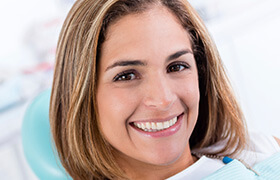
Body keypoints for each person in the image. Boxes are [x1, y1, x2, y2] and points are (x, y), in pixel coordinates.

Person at [49, 0, 280, 179]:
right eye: (127, 75)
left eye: (177, 66)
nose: (163, 99)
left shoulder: (255, 148)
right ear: (80, 96)